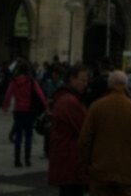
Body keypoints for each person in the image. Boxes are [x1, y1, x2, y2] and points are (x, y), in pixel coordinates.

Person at [78, 69, 131, 196]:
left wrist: (85, 166)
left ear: (109, 85)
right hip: (128, 173)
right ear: (126, 85)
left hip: (100, 172)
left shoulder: (97, 107)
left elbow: (85, 140)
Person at [48, 63, 89, 196]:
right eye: (82, 80)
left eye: (86, 80)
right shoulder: (70, 102)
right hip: (71, 162)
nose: (85, 84)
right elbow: (85, 129)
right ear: (72, 79)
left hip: (66, 160)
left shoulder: (65, 98)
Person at [2, 59, 47, 168]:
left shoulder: (14, 81)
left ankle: (17, 160)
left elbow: (8, 94)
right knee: (28, 135)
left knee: (18, 136)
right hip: (30, 111)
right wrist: (46, 107)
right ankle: (27, 159)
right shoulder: (31, 81)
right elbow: (40, 95)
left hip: (18, 110)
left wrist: (5, 106)